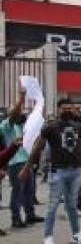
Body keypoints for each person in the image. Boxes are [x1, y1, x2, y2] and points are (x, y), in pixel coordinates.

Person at [20, 98, 81, 244]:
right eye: (64, 108)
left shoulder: (79, 126)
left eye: (69, 108)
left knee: (72, 206)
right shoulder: (50, 128)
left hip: (76, 170)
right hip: (58, 171)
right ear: (58, 109)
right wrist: (27, 167)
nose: (67, 110)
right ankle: (48, 237)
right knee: (52, 206)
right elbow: (37, 147)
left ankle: (76, 234)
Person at [0, 87, 43, 228]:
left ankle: (30, 214)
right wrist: (22, 97)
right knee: (17, 191)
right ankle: (16, 218)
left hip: (25, 161)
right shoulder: (6, 125)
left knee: (29, 190)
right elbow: (15, 113)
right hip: (15, 163)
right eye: (17, 111)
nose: (20, 113)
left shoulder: (19, 126)